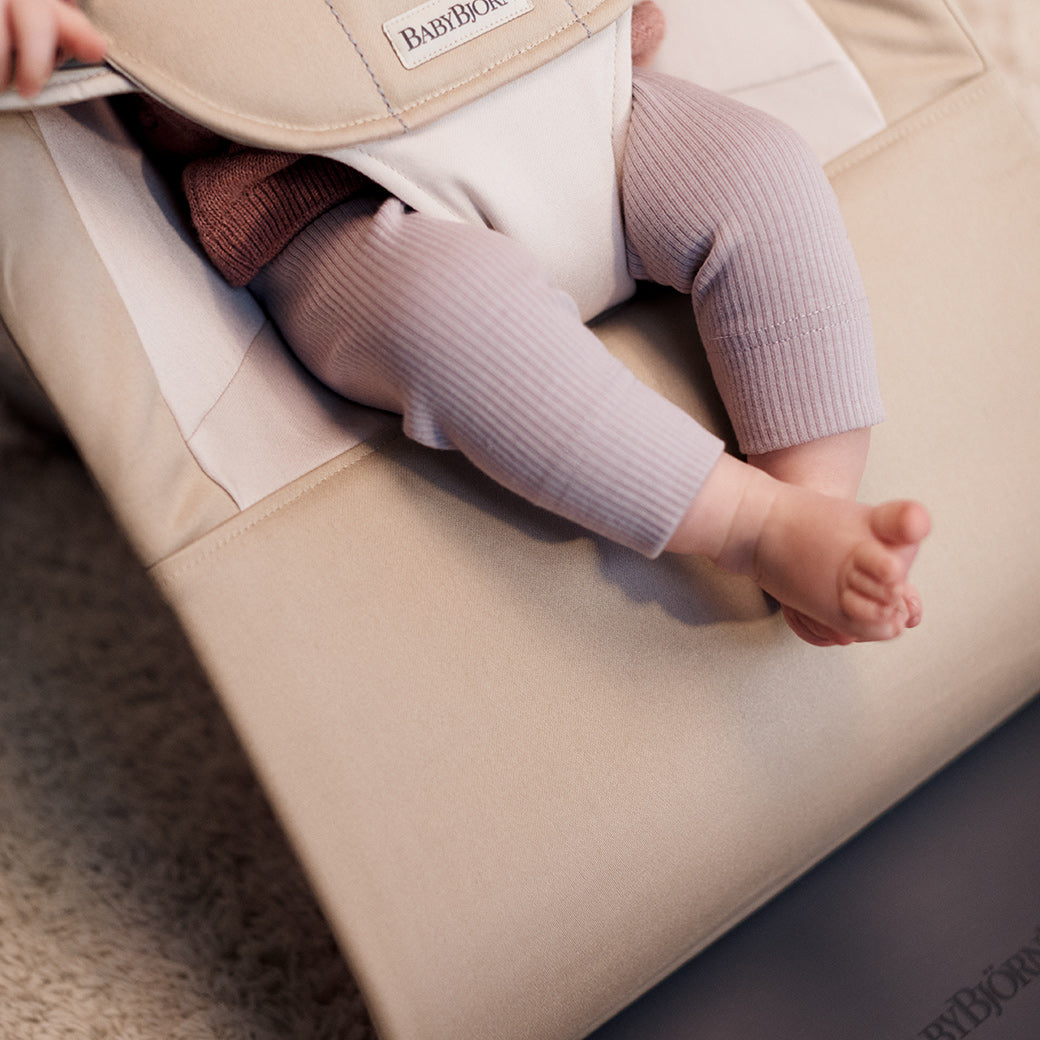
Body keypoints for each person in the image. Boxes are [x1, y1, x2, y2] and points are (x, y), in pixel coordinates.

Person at [2, 0, 931, 647]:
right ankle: (753, 524)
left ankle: (818, 494)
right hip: (325, 170)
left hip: (560, 74)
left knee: (761, 173)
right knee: (455, 322)